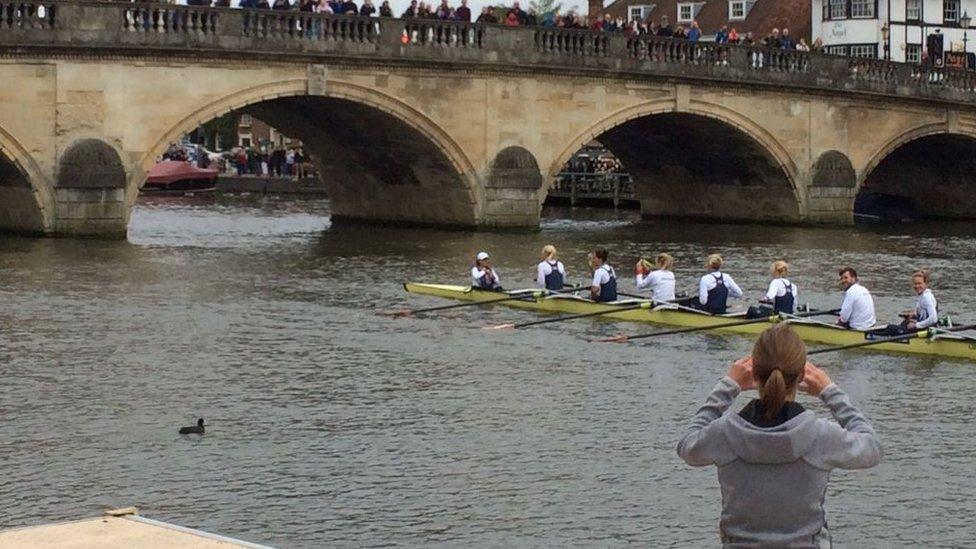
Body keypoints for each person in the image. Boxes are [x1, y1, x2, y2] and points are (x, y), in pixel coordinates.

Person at [677, 324, 882, 547]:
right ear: (802, 375)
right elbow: (872, 448)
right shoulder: (820, 435)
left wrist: (728, 386)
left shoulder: (725, 433)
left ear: (753, 373)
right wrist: (829, 391)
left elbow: (687, 445)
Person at [886, 269, 938, 334]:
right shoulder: (922, 296)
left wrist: (916, 325)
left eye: (919, 283)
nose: (917, 286)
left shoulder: (927, 297)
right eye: (915, 284)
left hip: (925, 332)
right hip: (923, 328)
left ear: (925, 284)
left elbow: (933, 319)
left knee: (890, 328)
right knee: (905, 323)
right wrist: (913, 315)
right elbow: (924, 313)